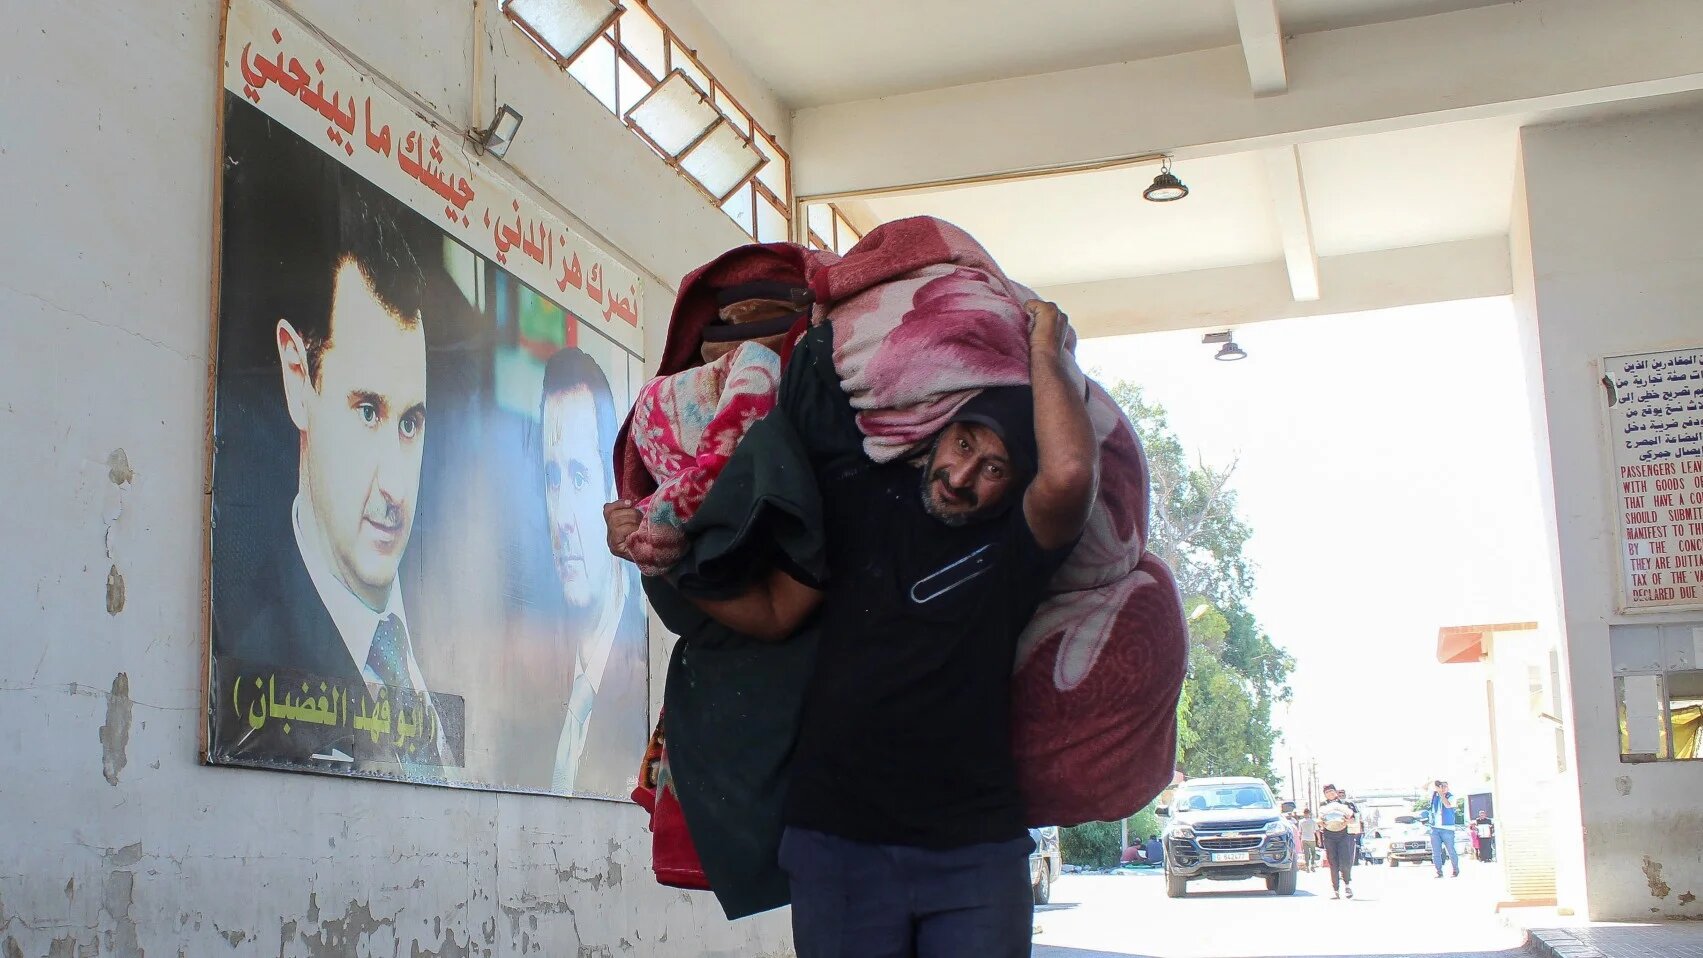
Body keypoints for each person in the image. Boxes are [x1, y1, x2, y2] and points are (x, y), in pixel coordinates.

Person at [606, 299, 1097, 956]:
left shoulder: (1016, 548)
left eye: (993, 468)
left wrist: (1047, 350)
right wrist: (661, 557)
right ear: (938, 434)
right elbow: (777, 612)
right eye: (964, 444)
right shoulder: (861, 502)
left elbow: (1068, 473)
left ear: (1012, 488)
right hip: (836, 850)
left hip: (973, 855)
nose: (962, 475)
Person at [224, 174, 449, 773]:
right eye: (368, 411)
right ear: (299, 380)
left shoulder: (450, 622)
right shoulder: (248, 651)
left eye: (410, 423)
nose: (396, 489)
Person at [540, 347, 649, 797]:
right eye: (552, 477)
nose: (562, 516)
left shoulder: (646, 666)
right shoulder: (534, 674)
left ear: (616, 492)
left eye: (580, 477)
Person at [1317, 785, 1357, 899]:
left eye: (1331, 791)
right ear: (1324, 794)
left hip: (1344, 835)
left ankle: (1347, 885)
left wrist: (1347, 822)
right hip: (1329, 835)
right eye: (1327, 792)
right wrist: (1321, 823)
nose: (1330, 793)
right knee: (1333, 862)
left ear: (1336, 792)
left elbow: (1354, 818)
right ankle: (1335, 890)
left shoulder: (1345, 804)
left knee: (1345, 861)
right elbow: (1319, 819)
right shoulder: (1323, 805)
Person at [1427, 779, 1461, 878]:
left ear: (1448, 787)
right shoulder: (1434, 795)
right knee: (1436, 852)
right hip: (1434, 828)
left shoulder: (1451, 797)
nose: (1443, 788)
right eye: (1441, 786)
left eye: (1445, 786)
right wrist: (1431, 781)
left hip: (1447, 828)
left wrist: (1441, 794)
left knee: (1451, 850)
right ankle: (1439, 872)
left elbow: (1447, 805)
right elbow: (1423, 788)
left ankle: (1455, 870)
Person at [1297, 808, 1319, 872]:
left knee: (1306, 853)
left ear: (1304, 814)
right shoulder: (1313, 821)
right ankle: (1312, 865)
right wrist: (1319, 840)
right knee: (1313, 852)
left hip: (1304, 839)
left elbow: (1300, 832)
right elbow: (1317, 831)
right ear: (1309, 814)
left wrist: (1300, 840)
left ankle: (1307, 866)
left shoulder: (1301, 822)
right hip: (1312, 838)